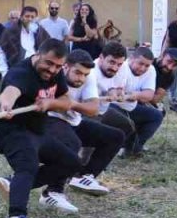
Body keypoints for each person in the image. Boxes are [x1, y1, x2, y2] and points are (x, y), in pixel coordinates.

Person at [0, 39, 77, 218]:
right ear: (38, 54)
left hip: (37, 132)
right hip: (10, 131)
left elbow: (66, 101)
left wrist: (50, 102)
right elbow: (10, 92)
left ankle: (16, 186)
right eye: (48, 63)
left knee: (71, 162)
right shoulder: (21, 73)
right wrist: (6, 106)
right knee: (27, 165)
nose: (52, 69)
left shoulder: (56, 74)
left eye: (58, 66)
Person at [48, 50, 126, 195]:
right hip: (50, 120)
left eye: (85, 74)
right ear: (65, 67)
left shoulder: (88, 77)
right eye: (77, 73)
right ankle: (53, 192)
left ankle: (83, 177)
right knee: (73, 143)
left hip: (73, 121)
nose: (81, 78)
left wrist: (71, 104)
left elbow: (93, 109)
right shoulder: (52, 76)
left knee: (115, 136)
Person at [95, 43, 163, 157]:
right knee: (124, 123)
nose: (143, 68)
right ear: (131, 59)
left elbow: (149, 95)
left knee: (157, 115)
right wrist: (118, 94)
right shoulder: (121, 68)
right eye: (140, 63)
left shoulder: (150, 70)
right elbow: (111, 91)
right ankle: (118, 147)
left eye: (146, 65)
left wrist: (132, 95)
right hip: (112, 105)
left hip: (130, 104)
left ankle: (134, 147)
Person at [0, 6, 48, 73]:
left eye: (32, 17)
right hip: (17, 68)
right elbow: (2, 52)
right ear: (21, 17)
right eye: (27, 16)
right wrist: (3, 71)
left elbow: (48, 47)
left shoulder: (40, 31)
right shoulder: (11, 32)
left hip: (36, 68)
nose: (30, 19)